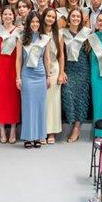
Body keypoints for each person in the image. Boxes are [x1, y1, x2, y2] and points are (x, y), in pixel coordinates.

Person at [15, 11, 49, 149]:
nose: (35, 24)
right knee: (28, 106)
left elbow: (46, 58)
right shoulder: (21, 38)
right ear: (28, 23)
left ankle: (38, 136)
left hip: (40, 75)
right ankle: (28, 137)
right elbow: (18, 59)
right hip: (27, 76)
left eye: (37, 22)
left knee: (40, 107)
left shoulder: (45, 38)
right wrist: (18, 77)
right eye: (32, 22)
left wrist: (48, 76)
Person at [60, 8, 90, 142]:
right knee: (68, 95)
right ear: (69, 18)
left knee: (81, 98)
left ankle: (77, 127)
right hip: (69, 68)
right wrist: (62, 70)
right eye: (73, 16)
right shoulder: (63, 33)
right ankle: (72, 122)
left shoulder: (87, 33)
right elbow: (61, 54)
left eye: (78, 16)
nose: (76, 18)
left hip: (82, 67)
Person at [0, 6, 20, 144]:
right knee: (0, 98)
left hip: (14, 68)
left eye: (10, 14)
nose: (8, 16)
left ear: (14, 16)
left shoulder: (19, 31)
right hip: (0, 68)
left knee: (13, 99)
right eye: (5, 14)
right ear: (1, 16)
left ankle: (13, 128)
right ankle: (2, 129)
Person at [41, 8, 63, 144]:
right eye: (48, 16)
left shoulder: (58, 34)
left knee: (53, 102)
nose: (50, 19)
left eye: (53, 17)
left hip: (54, 69)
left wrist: (61, 72)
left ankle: (52, 132)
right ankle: (41, 130)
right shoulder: (37, 33)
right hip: (39, 70)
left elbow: (61, 56)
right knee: (41, 102)